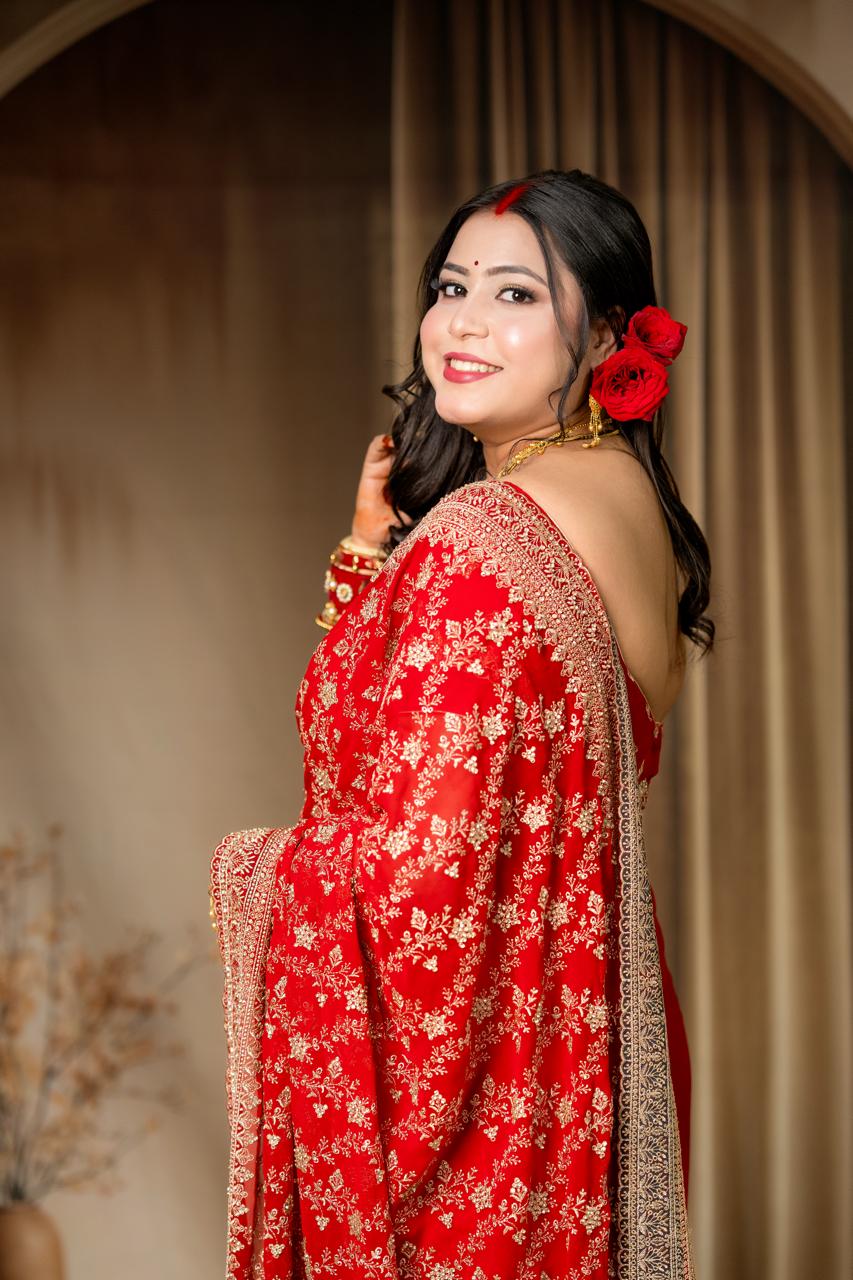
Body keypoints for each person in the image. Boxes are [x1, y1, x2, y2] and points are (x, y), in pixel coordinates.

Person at [209, 168, 712, 1279]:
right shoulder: (626, 503)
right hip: (592, 1044)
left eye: (517, 294)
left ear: (612, 336)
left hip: (492, 1101)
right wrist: (363, 556)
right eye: (451, 285)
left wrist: (254, 871)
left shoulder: (481, 543)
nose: (462, 323)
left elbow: (419, 888)